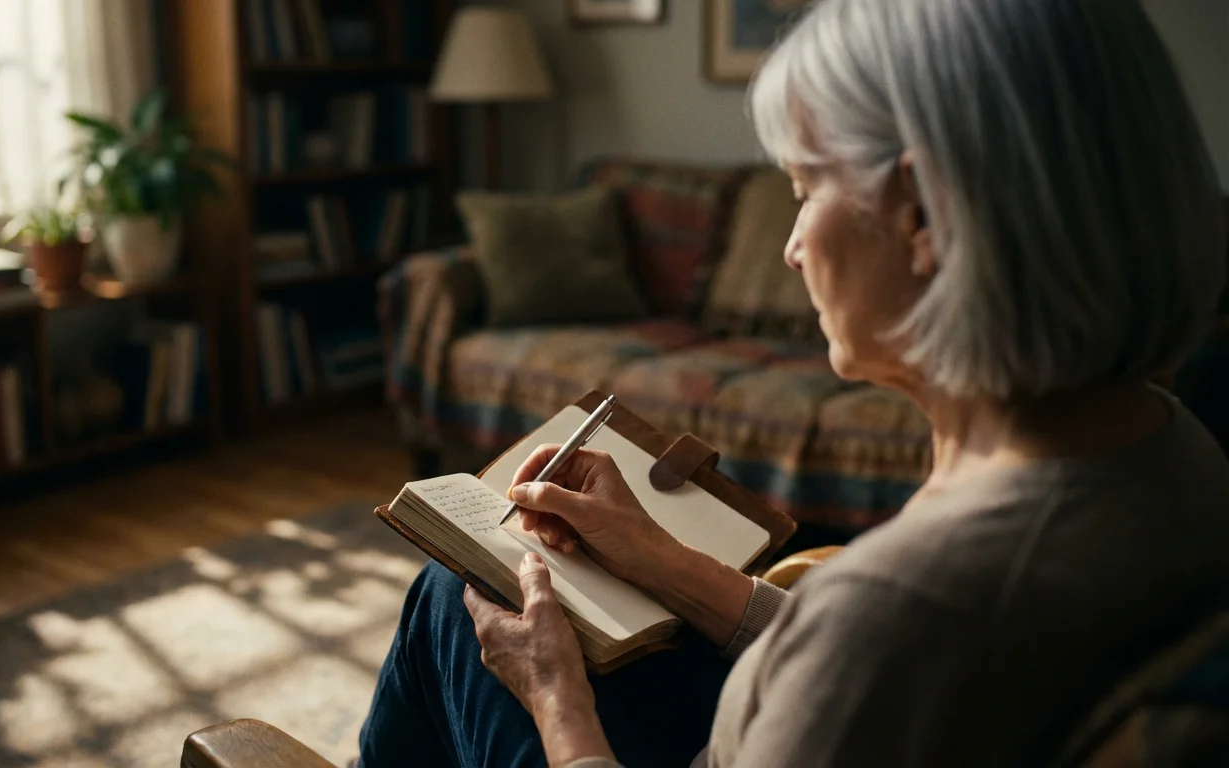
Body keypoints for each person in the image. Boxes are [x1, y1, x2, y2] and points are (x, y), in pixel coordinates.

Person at [358, 0, 1229, 765]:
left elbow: (870, 650)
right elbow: (863, 675)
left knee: (454, 598)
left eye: (806, 188)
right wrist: (661, 560)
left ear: (922, 214)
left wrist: (557, 700)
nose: (792, 246)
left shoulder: (903, 606)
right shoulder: (1176, 445)